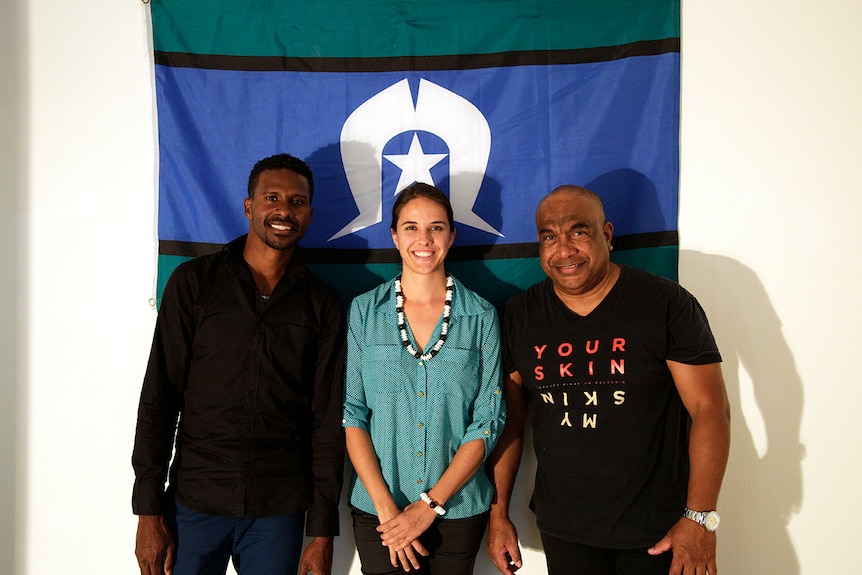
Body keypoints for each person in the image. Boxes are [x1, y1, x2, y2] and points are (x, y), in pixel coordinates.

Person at [486, 185, 731, 575]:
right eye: (550, 236)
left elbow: (710, 409)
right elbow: (510, 423)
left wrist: (700, 517)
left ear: (608, 235)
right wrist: (498, 515)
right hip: (564, 529)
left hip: (659, 530)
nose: (564, 251)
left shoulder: (665, 303)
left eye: (578, 232)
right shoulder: (520, 314)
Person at [131, 153, 346, 575]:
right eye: (272, 198)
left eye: (297, 202)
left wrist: (322, 534)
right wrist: (148, 511)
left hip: (278, 509)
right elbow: (159, 398)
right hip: (194, 501)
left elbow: (326, 422)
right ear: (249, 207)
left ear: (310, 214)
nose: (284, 210)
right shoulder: (193, 284)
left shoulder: (323, 305)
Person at [342, 182, 506, 575]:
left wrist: (429, 506)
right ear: (395, 236)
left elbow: (487, 421)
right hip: (380, 513)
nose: (424, 239)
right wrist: (387, 509)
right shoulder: (364, 312)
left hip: (458, 509)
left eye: (436, 227)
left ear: (451, 235)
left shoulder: (481, 315)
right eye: (411, 227)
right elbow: (352, 414)